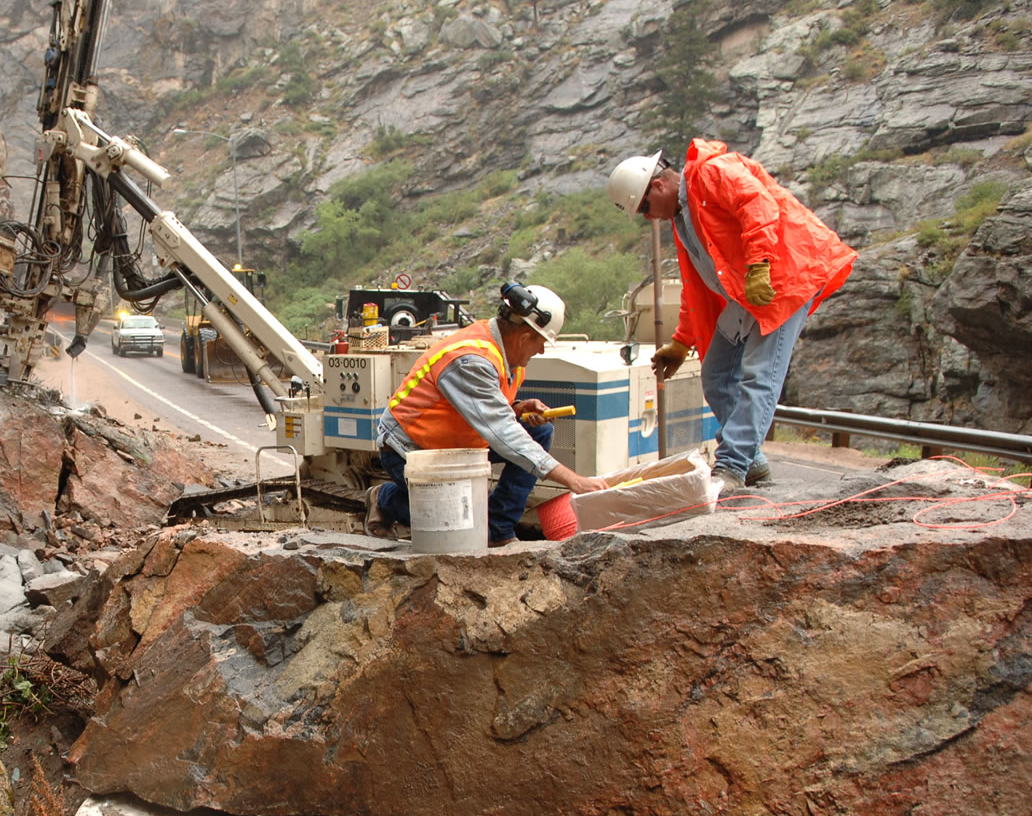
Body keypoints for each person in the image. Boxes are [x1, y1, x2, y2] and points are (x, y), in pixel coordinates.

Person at [607, 141, 857, 492]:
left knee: (759, 376)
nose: (648, 217)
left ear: (659, 186)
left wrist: (759, 264)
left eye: (645, 207)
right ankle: (751, 463)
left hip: (783, 278)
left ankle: (733, 466)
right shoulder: (683, 220)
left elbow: (758, 205)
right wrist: (681, 342)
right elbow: (699, 287)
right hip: (747, 292)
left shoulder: (711, 172)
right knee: (717, 374)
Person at [367, 282, 609, 545]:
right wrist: (574, 480)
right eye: (541, 343)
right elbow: (504, 434)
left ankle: (497, 528)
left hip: (453, 445)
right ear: (525, 337)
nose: (540, 351)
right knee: (460, 520)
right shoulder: (471, 359)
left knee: (539, 431)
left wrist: (517, 409)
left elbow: (485, 410)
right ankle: (383, 500)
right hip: (410, 449)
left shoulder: (505, 354)